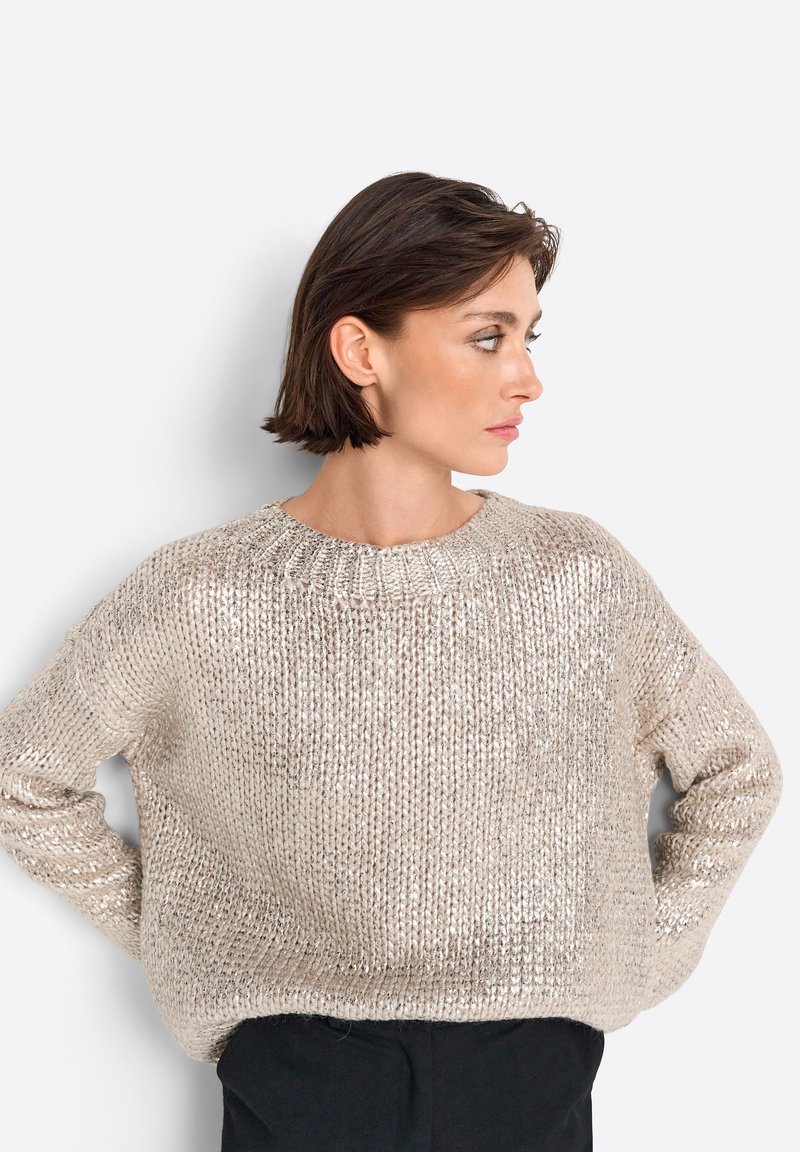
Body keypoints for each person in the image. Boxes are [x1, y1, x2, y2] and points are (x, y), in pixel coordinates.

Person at [0, 172, 782, 1152]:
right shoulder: (198, 594)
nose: (526, 378)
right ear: (360, 350)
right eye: (487, 336)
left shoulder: (576, 575)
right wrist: (192, 939)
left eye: (528, 338)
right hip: (296, 1073)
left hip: (529, 1066)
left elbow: (736, 770)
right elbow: (25, 777)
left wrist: (638, 951)